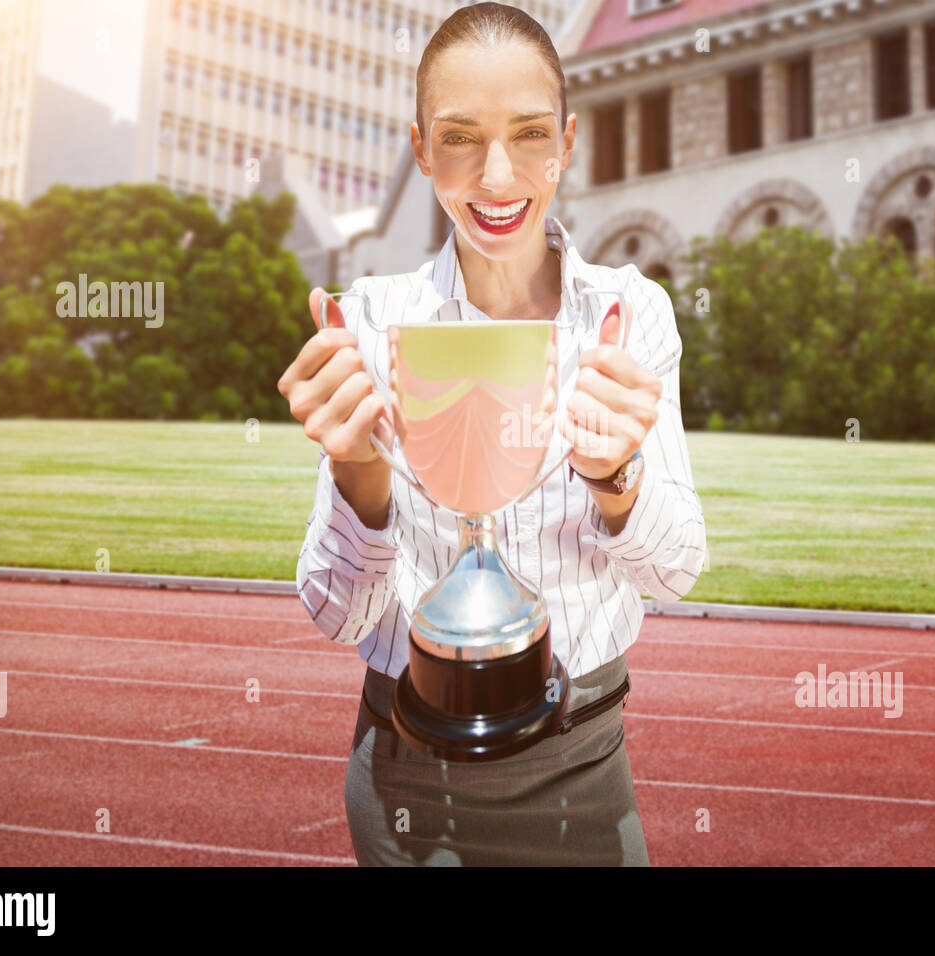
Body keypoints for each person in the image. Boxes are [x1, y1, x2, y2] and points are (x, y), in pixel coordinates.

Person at [276, 2, 706, 866]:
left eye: (531, 134)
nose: (498, 175)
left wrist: (616, 475)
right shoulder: (370, 323)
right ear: (422, 150)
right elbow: (338, 612)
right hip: (407, 775)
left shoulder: (629, 314)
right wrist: (359, 473)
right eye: (462, 138)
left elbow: (674, 570)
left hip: (584, 763)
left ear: (569, 143)